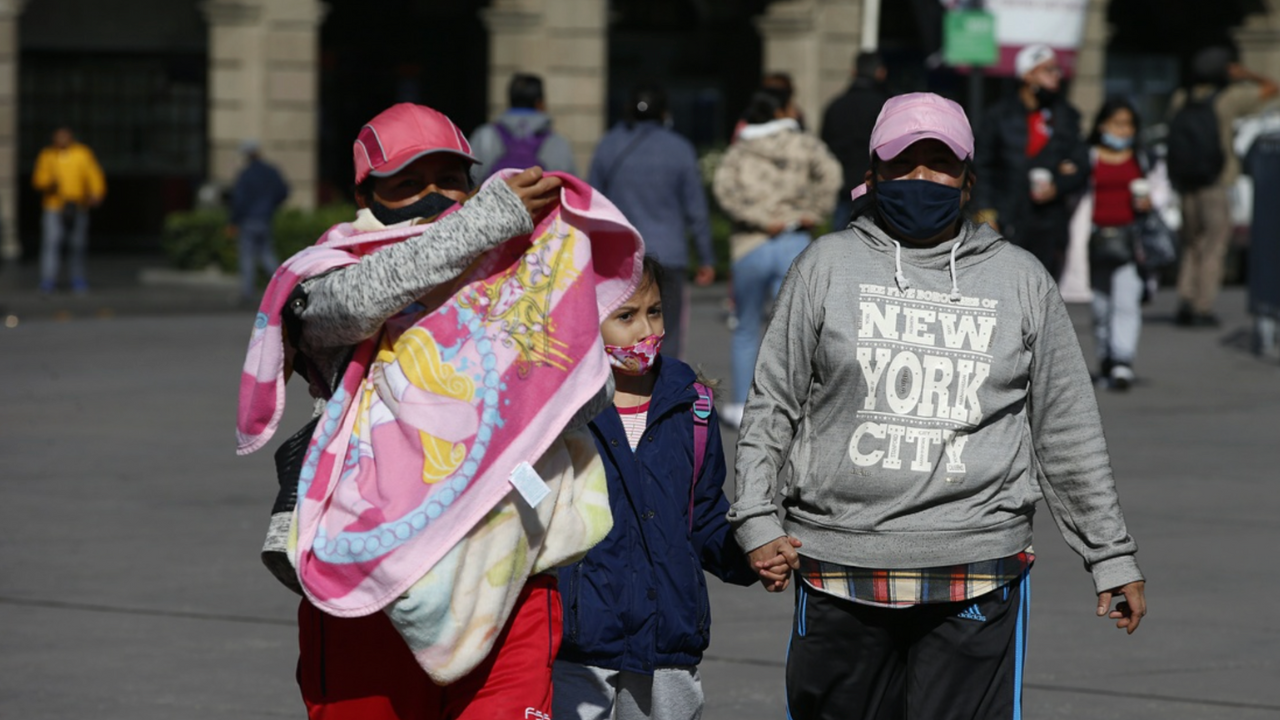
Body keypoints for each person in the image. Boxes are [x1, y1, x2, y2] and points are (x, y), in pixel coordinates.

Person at [728, 92, 1147, 720]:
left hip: (977, 566)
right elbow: (773, 403)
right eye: (903, 164)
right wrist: (757, 518)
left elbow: (1066, 427)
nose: (921, 179)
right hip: (840, 565)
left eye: (940, 164)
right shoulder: (825, 267)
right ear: (871, 176)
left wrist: (1109, 553)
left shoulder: (1020, 279)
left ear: (967, 180)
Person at [252, 102, 602, 720]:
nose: (435, 197)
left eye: (449, 180)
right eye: (408, 184)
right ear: (367, 196)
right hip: (369, 588)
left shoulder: (522, 271)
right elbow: (356, 302)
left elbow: (576, 395)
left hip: (506, 573)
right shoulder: (325, 274)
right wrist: (483, 225)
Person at [553, 257, 756, 720]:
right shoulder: (561, 413)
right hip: (579, 647)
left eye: (656, 311)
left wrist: (748, 552)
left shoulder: (691, 405)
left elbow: (702, 515)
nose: (646, 328)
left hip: (669, 643)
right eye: (625, 316)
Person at [712, 88, 841, 429]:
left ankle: (742, 406)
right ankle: (795, 406)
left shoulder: (741, 149)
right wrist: (814, 211)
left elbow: (723, 189)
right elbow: (832, 174)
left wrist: (756, 218)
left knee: (745, 328)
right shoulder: (802, 143)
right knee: (797, 331)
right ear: (783, 110)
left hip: (750, 244)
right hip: (794, 239)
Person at [588, 83, 715, 359]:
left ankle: (622, 395)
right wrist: (706, 258)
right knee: (664, 330)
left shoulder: (609, 145)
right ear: (665, 112)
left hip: (620, 256)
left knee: (620, 328)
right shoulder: (680, 148)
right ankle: (663, 393)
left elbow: (592, 202)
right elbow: (696, 209)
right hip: (669, 254)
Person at [1168, 46, 1278, 328]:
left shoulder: (1182, 97)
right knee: (1214, 245)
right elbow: (1273, 88)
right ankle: (1203, 307)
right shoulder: (1229, 99)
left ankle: (1185, 299)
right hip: (1216, 181)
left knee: (1191, 243)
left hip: (1185, 181)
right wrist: (1246, 73)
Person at [974, 44, 1090, 281]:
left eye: (1057, 69)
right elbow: (981, 168)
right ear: (1027, 75)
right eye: (1048, 69)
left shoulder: (1066, 115)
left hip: (1050, 222)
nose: (1056, 75)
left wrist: (1058, 185)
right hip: (1007, 217)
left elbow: (1081, 165)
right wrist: (986, 214)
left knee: (1044, 292)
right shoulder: (999, 115)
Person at [1076, 98, 1162, 390]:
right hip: (1094, 238)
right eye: (1117, 124)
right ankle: (1106, 358)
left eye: (1128, 125)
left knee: (1126, 301)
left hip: (1130, 239)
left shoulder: (1143, 158)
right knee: (1101, 306)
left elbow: (1163, 191)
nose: (1123, 130)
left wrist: (1152, 201)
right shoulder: (1086, 157)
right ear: (1102, 126)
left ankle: (1122, 360)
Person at [31, 126, 106, 293]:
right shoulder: (48, 155)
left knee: (77, 244)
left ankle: (77, 278)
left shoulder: (82, 153)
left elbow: (93, 174)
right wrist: (48, 183)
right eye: (59, 137)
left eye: (65, 137)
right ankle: (48, 279)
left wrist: (97, 192)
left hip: (77, 204)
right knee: (52, 242)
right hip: (54, 205)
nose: (62, 140)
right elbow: (39, 178)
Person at [821, 51, 889, 230]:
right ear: (880, 73)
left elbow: (825, 146)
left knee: (839, 243)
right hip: (875, 185)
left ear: (853, 72)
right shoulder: (884, 107)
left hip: (842, 184)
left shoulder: (835, 106)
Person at [469, 72, 577, 184]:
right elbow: (570, 189)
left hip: (492, 200)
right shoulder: (557, 142)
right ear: (539, 103)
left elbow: (472, 181)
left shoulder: (484, 136)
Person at [229, 139, 290, 302]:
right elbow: (283, 191)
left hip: (248, 219)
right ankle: (283, 287)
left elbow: (239, 200)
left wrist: (233, 220)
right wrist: (271, 205)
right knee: (266, 253)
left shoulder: (246, 174)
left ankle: (247, 292)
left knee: (247, 255)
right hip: (265, 218)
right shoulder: (271, 171)